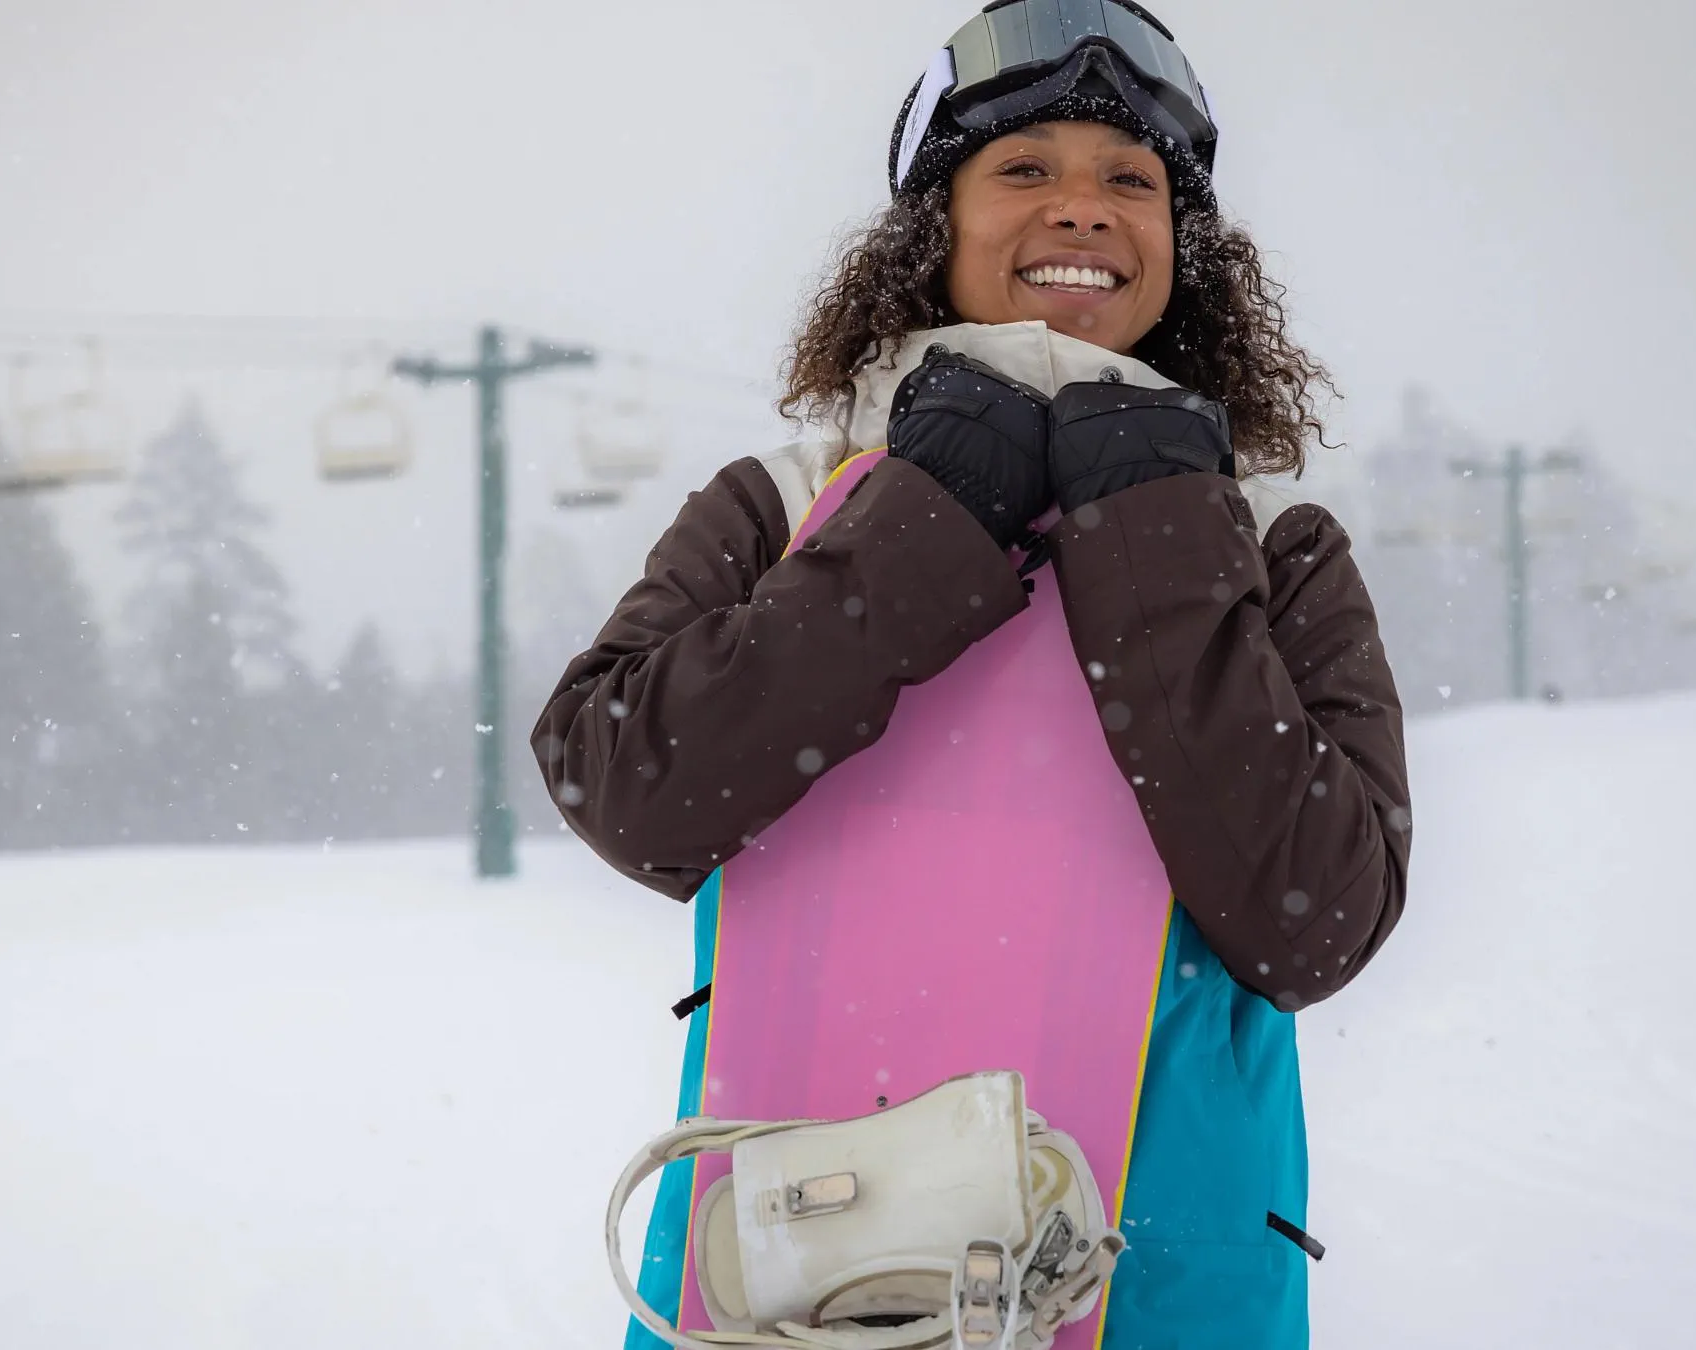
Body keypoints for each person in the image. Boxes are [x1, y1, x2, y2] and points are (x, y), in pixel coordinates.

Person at [535, 3, 1409, 1345]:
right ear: (928, 230)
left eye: (1132, 180)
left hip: (1159, 1291)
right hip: (798, 1279)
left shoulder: (1273, 541)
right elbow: (623, 780)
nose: (1085, 208)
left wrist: (1157, 533)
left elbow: (1317, 920)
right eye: (1024, 170)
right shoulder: (792, 501)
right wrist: (925, 517)